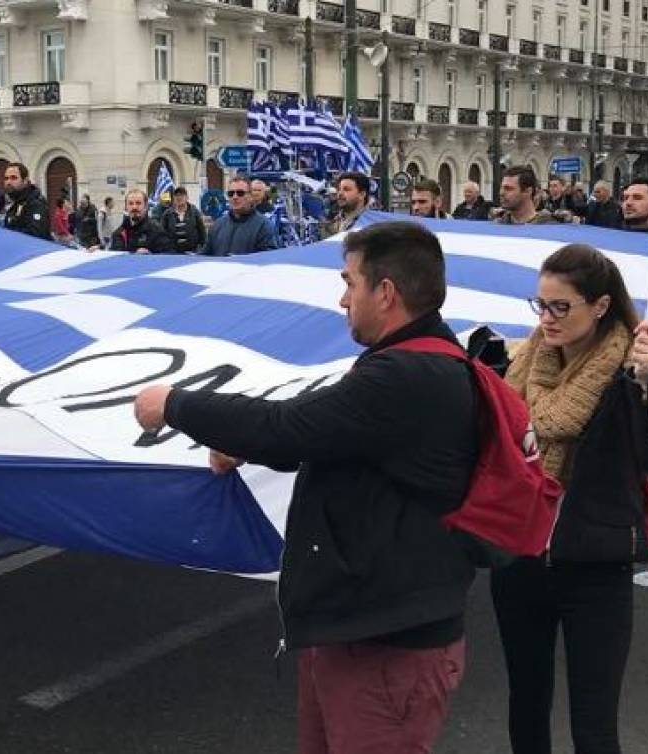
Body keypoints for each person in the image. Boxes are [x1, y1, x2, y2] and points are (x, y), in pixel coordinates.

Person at [132, 221, 478, 753]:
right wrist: (247, 441)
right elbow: (328, 433)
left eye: (350, 283)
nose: (342, 300)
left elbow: (286, 427)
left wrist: (174, 404)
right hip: (357, 630)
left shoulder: (408, 374)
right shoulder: (410, 361)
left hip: (387, 647)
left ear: (385, 293)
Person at [495, 244, 648, 754]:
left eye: (561, 307)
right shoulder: (520, 362)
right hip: (520, 556)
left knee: (594, 722)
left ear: (601, 306)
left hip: (595, 565)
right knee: (526, 703)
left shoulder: (630, 370)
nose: (547, 319)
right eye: (540, 304)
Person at [203, 177, 279, 256]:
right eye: (231, 194)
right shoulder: (218, 225)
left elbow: (269, 258)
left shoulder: (264, 225)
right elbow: (205, 255)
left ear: (250, 196)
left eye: (240, 193)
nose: (235, 197)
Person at [0, 162, 51, 240]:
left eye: (13, 178)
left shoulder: (36, 203)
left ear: (25, 180)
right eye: (6, 178)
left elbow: (35, 234)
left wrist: (5, 233)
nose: (9, 182)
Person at [105, 189, 174, 253]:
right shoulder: (118, 234)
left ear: (146, 206)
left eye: (138, 203)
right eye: (131, 203)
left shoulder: (157, 231)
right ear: (126, 207)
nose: (134, 207)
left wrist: (149, 255)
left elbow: (167, 257)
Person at [494, 166, 561, 225]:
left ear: (528, 191)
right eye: (501, 188)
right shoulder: (498, 224)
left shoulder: (549, 226)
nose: (501, 193)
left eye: (509, 189)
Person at [321, 172, 370, 236]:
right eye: (339, 189)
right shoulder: (332, 222)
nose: (340, 193)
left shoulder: (373, 224)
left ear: (362, 194)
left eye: (346, 189)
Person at [160, 187, 206, 253]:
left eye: (181, 195)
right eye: (176, 195)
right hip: (172, 253)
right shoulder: (167, 214)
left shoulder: (195, 212)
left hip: (192, 252)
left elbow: (202, 233)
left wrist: (201, 249)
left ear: (187, 197)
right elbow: (162, 234)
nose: (179, 198)